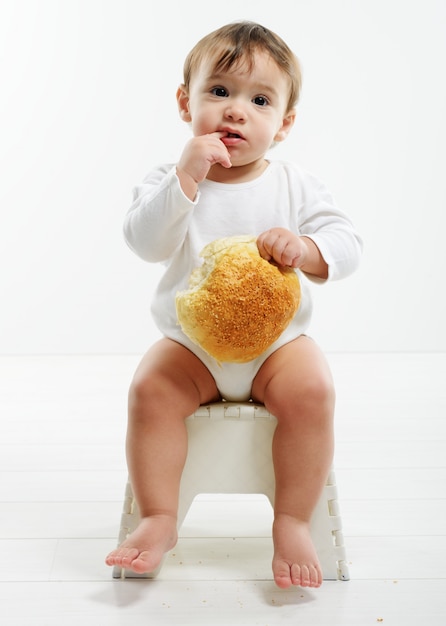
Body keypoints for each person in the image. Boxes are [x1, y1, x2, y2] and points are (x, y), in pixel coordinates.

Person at [105, 20, 362, 589]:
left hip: (277, 347)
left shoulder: (294, 185)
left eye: (259, 99)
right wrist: (185, 178)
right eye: (218, 91)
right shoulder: (168, 180)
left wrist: (306, 247)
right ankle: (159, 516)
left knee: (313, 389)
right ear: (184, 102)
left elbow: (347, 243)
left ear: (285, 123)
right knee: (150, 390)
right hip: (191, 347)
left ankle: (293, 518)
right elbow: (145, 244)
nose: (235, 110)